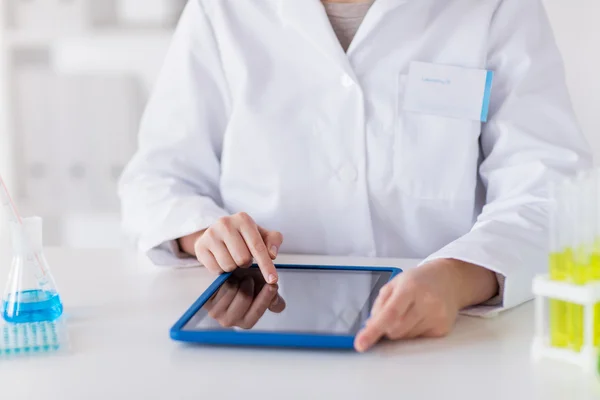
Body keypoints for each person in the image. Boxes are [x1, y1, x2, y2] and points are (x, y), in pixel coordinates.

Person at [118, 0, 591, 352]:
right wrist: (205, 231)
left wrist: (455, 279)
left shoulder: (495, 6)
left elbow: (551, 188)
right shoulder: (222, 10)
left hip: (445, 343)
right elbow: (157, 179)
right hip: (259, 335)